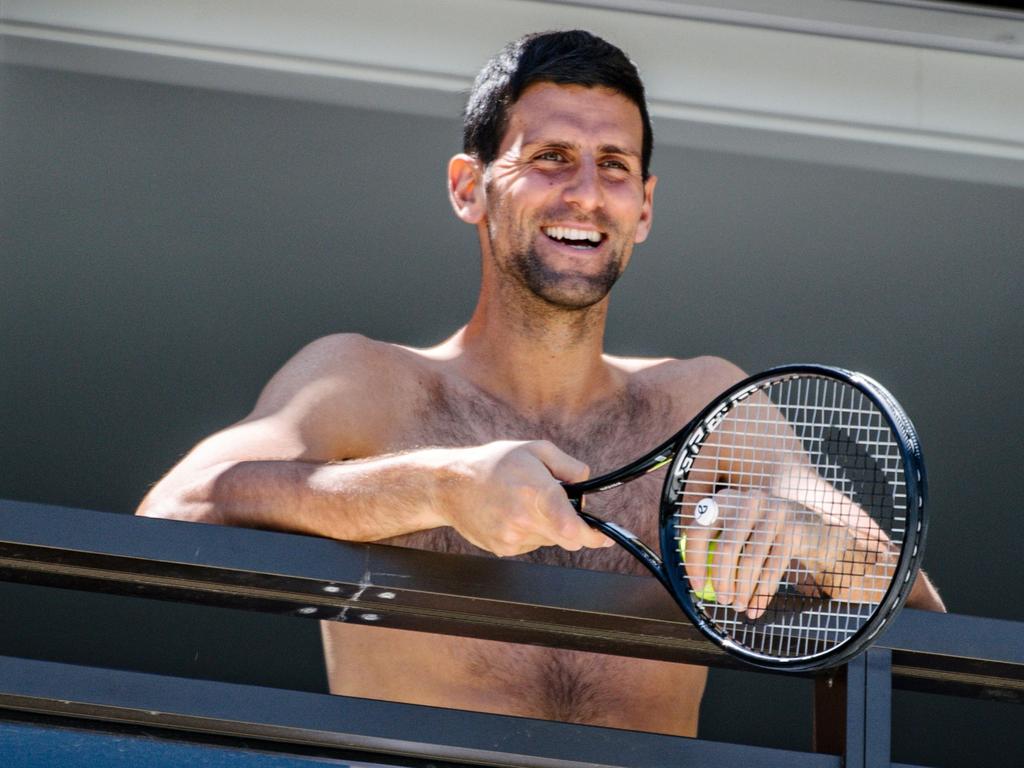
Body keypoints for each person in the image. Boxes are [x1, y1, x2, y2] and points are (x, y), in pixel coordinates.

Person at [137, 30, 944, 737]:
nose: (586, 191)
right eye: (550, 157)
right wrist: (438, 487)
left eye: (615, 167)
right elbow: (172, 512)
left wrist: (805, 536)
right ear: (468, 187)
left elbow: (913, 599)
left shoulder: (701, 402)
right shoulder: (368, 382)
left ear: (645, 208)